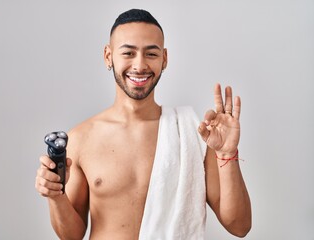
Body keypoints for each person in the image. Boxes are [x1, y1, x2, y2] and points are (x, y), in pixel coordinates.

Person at [35, 9, 251, 239]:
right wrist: (55, 196)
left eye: (151, 54)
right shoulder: (82, 138)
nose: (139, 65)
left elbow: (239, 226)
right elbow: (72, 235)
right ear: (108, 56)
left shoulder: (191, 134)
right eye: (128, 52)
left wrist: (227, 154)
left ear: (164, 59)